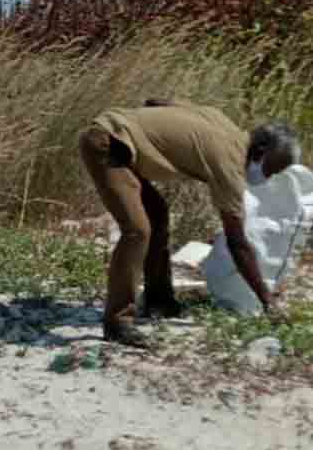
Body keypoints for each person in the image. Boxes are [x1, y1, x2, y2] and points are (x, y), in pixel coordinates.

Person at [80, 98, 301, 347]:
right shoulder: (229, 164)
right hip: (107, 144)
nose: (270, 177)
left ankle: (159, 300)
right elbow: (237, 242)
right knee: (137, 230)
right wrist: (267, 300)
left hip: (120, 140)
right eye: (273, 169)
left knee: (158, 215)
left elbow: (156, 102)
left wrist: (146, 131)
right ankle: (117, 322)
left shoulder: (222, 122)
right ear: (260, 153)